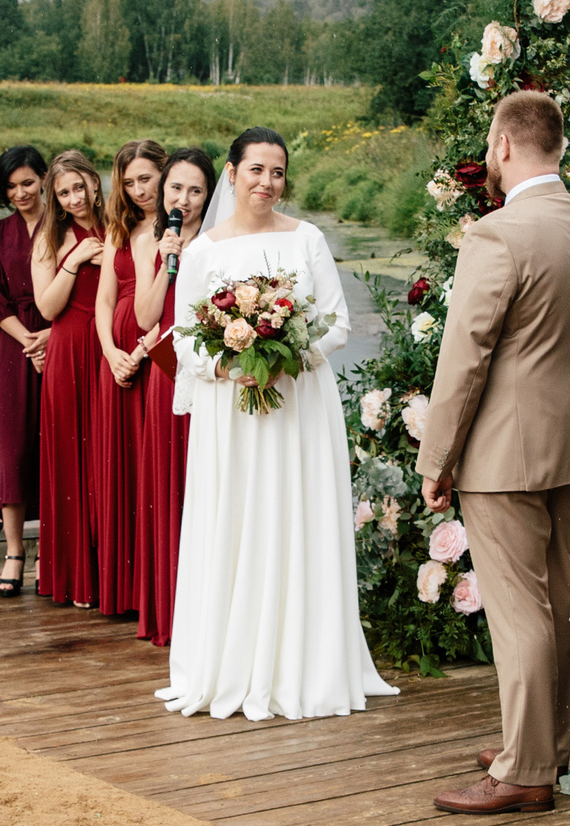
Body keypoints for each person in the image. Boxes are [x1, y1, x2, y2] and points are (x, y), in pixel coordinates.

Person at [420, 93, 570, 816]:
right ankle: (548, 740)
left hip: (505, 448)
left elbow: (464, 355)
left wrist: (436, 458)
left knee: (518, 609)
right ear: (556, 146)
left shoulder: (498, 235)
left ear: (504, 145)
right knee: (560, 597)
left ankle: (525, 768)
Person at [157, 127, 396, 720]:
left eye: (279, 172)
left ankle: (305, 662)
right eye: (257, 170)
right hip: (230, 416)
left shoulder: (307, 239)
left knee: (296, 516)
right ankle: (228, 663)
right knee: (235, 518)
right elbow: (185, 340)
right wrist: (229, 362)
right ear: (232, 174)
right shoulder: (204, 252)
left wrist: (288, 356)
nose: (268, 182)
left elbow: (337, 323)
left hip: (297, 409)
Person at [125, 147, 212, 647]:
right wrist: (166, 261)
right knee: (169, 487)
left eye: (195, 190)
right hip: (169, 376)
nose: (184, 199)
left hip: (212, 376)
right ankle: (169, 611)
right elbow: (144, 316)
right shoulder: (151, 241)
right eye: (176, 188)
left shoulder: (221, 241)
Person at [93, 141, 166, 620]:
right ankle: (121, 591)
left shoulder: (180, 229)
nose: (139, 190)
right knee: (118, 466)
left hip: (154, 355)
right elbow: (103, 301)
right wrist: (111, 352)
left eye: (147, 178)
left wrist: (140, 352)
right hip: (116, 359)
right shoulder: (121, 229)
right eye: (130, 182)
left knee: (150, 468)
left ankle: (153, 591)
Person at [33, 149, 109, 609]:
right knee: (70, 458)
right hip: (70, 349)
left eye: (79, 187)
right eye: (64, 192)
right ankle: (74, 576)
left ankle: (110, 574)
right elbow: (46, 308)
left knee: (104, 456)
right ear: (56, 199)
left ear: (94, 184)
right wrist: (75, 260)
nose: (74, 197)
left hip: (108, 346)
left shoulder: (119, 224)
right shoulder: (51, 238)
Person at [0, 145, 50, 598]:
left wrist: (49, 337)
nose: (20, 192)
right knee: (12, 447)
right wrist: (26, 338)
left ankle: (50, 550)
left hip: (57, 339)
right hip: (12, 345)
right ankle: (14, 551)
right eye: (10, 186)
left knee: (54, 444)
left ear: (43, 178)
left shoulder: (63, 225)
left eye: (27, 182)